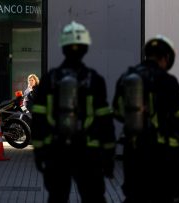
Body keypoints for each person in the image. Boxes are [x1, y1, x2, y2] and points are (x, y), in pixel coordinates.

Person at [31, 21, 116, 203]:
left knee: (57, 197)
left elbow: (38, 118)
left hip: (56, 151)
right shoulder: (95, 80)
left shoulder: (49, 79)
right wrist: (108, 156)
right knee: (93, 198)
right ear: (85, 47)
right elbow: (105, 122)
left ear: (63, 47)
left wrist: (39, 151)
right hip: (88, 153)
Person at [113, 35, 179, 203]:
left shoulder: (127, 78)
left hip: (133, 153)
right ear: (166, 57)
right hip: (162, 157)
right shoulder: (168, 81)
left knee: (135, 196)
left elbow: (118, 112)